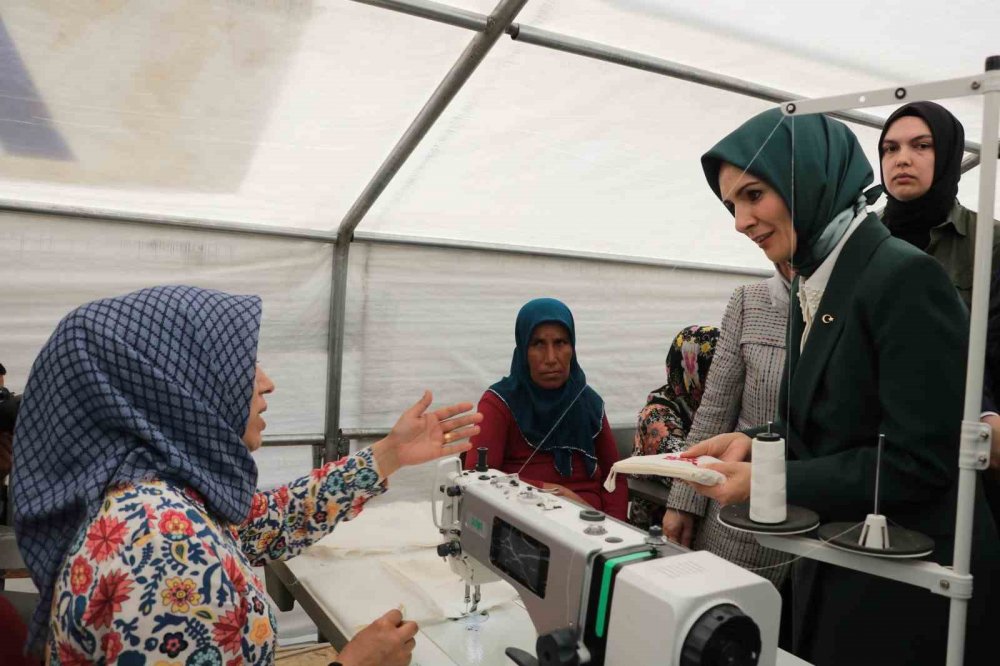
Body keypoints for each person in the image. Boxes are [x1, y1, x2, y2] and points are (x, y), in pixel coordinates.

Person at [11, 285, 481, 665]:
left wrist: (388, 454)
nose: (265, 381)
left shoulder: (151, 498)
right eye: (240, 364)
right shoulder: (164, 548)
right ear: (175, 384)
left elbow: (262, 521)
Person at [683, 108, 999, 665]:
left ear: (809, 178)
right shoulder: (816, 276)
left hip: (905, 585)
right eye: (732, 204)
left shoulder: (904, 276)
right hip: (843, 561)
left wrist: (766, 481)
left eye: (754, 195)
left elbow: (920, 462)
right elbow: (828, 419)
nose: (740, 221)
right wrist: (756, 442)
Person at [878, 100, 1000, 520]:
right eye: (890, 149)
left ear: (947, 154)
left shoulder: (987, 241)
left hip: (961, 446)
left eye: (921, 146)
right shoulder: (861, 241)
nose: (902, 159)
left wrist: (988, 414)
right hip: (872, 451)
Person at [660, 267, 794, 591]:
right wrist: (682, 502)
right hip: (740, 523)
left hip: (830, 535)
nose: (743, 223)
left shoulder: (866, 299)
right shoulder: (749, 302)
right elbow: (714, 413)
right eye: (738, 211)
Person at [467, 298, 628, 521]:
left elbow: (615, 475)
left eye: (560, 343)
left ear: (572, 347)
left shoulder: (588, 402)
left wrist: (614, 527)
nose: (551, 358)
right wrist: (551, 494)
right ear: (523, 349)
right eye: (538, 344)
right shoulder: (499, 403)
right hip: (524, 523)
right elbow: (478, 479)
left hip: (594, 526)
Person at [627, 325, 719, 530]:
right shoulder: (656, 416)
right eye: (715, 367)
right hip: (661, 525)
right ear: (692, 368)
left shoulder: (714, 409)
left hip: (704, 514)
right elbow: (683, 470)